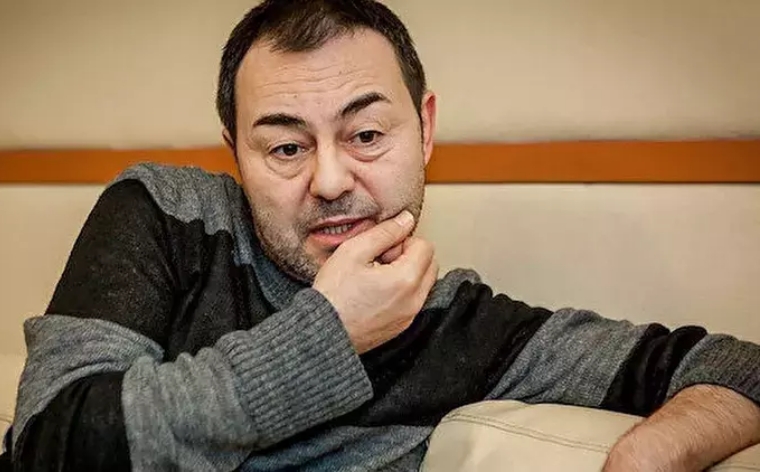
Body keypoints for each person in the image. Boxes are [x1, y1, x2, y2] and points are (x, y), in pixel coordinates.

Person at [3, 0, 760, 471]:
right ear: (236, 152)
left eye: (366, 134)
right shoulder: (164, 216)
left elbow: (737, 368)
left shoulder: (461, 328)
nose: (331, 180)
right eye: (286, 147)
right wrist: (327, 336)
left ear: (424, 130)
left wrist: (650, 456)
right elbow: (49, 442)